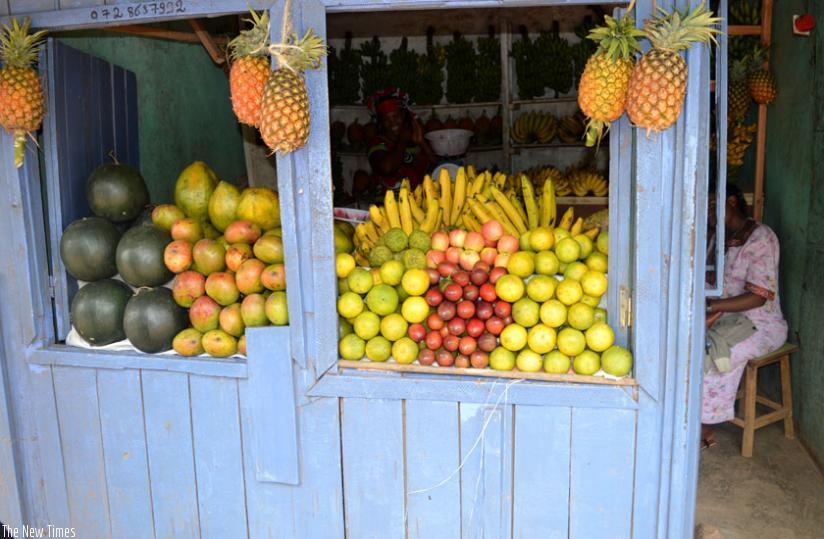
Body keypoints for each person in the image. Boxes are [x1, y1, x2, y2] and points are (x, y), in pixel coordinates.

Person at [701, 183, 788, 448]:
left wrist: (714, 308)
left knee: (713, 355)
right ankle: (687, 414)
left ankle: (704, 429)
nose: (708, 213)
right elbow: (717, 280)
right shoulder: (721, 237)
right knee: (684, 345)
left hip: (760, 325)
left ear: (731, 201)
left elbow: (758, 296)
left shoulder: (762, 238)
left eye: (713, 205)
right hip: (726, 316)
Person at [365, 87, 437, 192]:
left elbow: (438, 168)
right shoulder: (377, 143)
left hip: (419, 203)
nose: (393, 122)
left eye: (396, 116)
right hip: (389, 205)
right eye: (387, 119)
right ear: (381, 123)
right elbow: (386, 168)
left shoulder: (414, 140)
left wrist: (422, 143)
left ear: (404, 116)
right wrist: (402, 140)